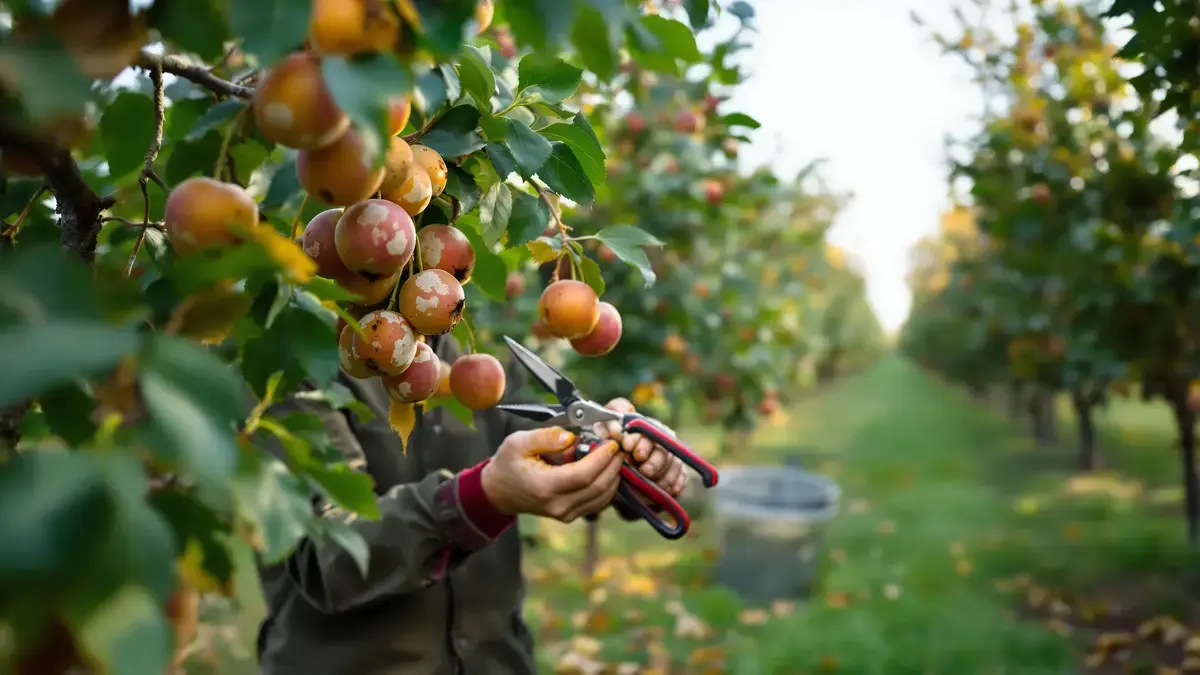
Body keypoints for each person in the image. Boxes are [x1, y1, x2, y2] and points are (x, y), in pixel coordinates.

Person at [256, 334, 687, 675]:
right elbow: (328, 557)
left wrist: (622, 456)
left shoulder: (478, 350)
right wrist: (480, 499)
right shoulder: (297, 362)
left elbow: (550, 438)